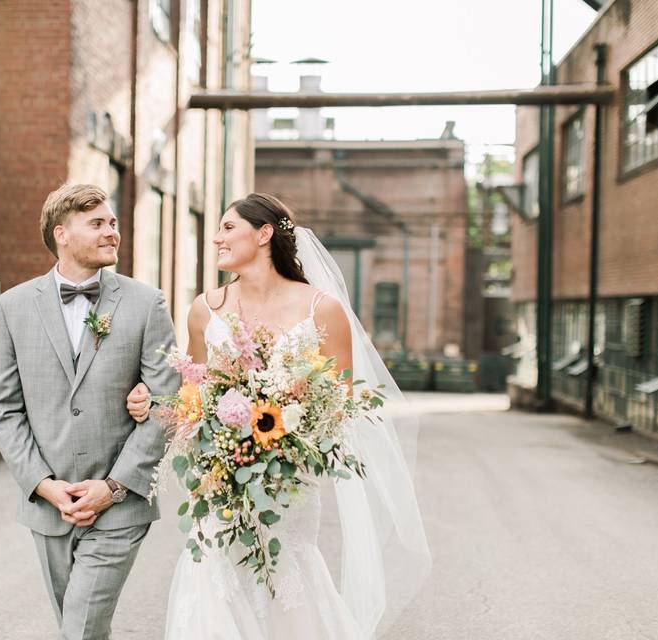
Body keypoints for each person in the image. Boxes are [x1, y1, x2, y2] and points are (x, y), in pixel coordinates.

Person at [127, 193, 431, 639]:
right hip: (218, 484)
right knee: (213, 576)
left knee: (288, 577)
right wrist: (152, 403)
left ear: (264, 233)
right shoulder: (203, 309)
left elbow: (342, 406)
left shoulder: (322, 309)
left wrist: (285, 439)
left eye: (228, 228)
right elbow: (191, 397)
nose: (216, 238)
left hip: (289, 485)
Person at [0, 183, 179, 640]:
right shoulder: (12, 307)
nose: (112, 232)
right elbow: (3, 408)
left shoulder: (146, 304)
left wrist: (112, 487)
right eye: (98, 224)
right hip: (49, 505)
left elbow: (167, 402)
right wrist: (44, 486)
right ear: (62, 234)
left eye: (113, 223)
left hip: (120, 502)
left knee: (81, 628)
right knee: (80, 626)